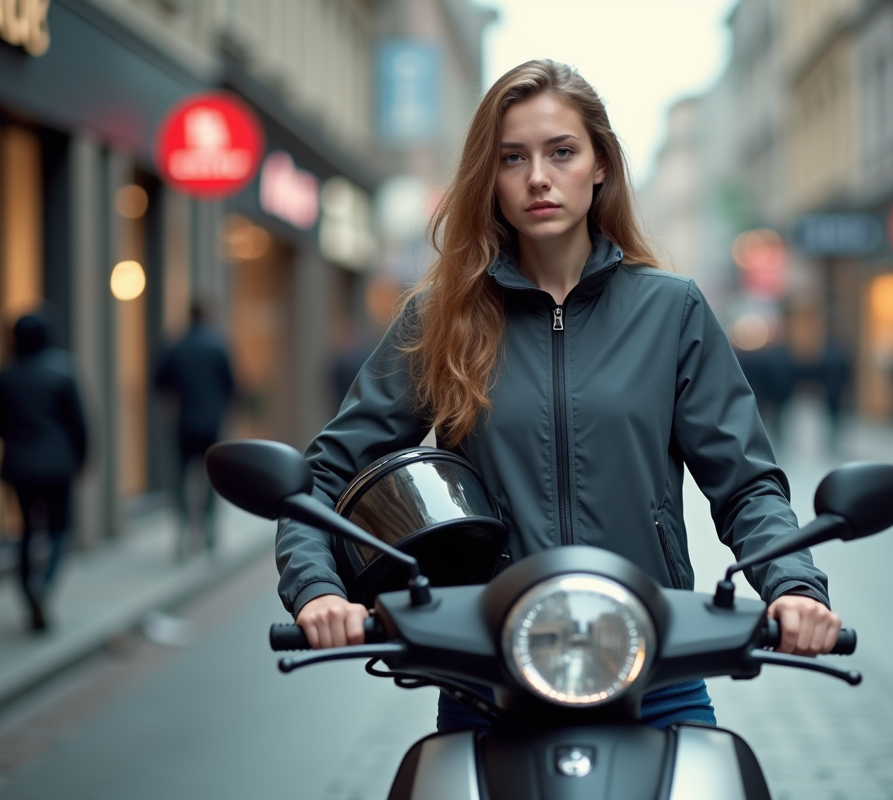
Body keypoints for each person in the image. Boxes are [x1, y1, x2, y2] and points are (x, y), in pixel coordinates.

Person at [276, 60, 840, 733]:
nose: (537, 176)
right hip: (488, 676)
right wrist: (317, 591)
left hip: (651, 668)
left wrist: (793, 588)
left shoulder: (672, 311)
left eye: (561, 151)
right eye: (513, 158)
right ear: (492, 178)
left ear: (600, 164)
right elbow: (321, 479)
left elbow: (746, 485)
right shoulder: (442, 317)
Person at [0, 310, 88, 632]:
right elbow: (79, 422)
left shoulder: (6, 374)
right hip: (58, 466)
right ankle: (43, 586)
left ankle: (28, 593)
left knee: (26, 533)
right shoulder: (63, 370)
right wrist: (83, 458)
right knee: (59, 530)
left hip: (19, 466)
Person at [155, 299, 236, 559]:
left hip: (184, 422)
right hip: (211, 423)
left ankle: (182, 531)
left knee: (181, 478)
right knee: (212, 478)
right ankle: (210, 530)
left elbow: (159, 383)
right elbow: (232, 387)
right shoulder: (218, 347)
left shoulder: (176, 346)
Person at [815, 336, 851, 454]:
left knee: (828, 415)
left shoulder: (825, 357)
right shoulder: (841, 357)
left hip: (827, 391)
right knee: (836, 416)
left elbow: (819, 373)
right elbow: (847, 374)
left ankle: (828, 439)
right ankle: (835, 438)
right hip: (838, 391)